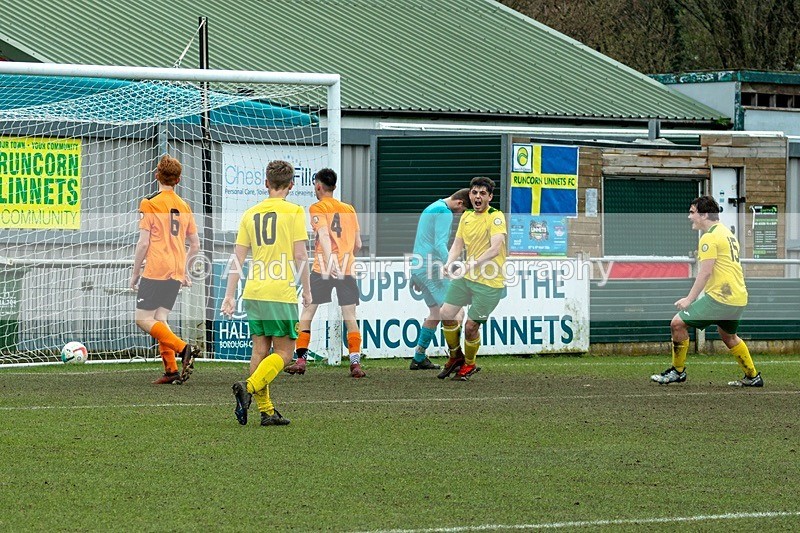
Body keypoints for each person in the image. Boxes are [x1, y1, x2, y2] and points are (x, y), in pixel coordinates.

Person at [222, 160, 312, 426]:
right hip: (279, 290)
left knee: (260, 350)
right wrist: (307, 289)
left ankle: (267, 411)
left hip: (253, 291)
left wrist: (229, 295)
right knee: (285, 353)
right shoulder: (294, 211)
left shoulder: (250, 213)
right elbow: (300, 255)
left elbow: (237, 258)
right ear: (291, 185)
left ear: (265, 183)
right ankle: (247, 388)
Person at [651, 195, 762, 387]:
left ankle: (677, 372)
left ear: (703, 215)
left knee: (677, 323)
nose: (689, 217)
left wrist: (689, 299)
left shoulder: (709, 237)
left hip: (721, 297)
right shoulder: (727, 233)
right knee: (729, 336)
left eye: (692, 212)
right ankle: (753, 377)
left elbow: (705, 272)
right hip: (738, 297)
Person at [283, 168, 366, 378]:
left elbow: (324, 235)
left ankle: (301, 360)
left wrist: (331, 260)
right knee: (350, 315)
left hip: (323, 267)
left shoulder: (317, 207)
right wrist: (345, 257)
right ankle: (355, 363)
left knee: (308, 311)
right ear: (334, 186)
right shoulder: (349, 209)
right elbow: (357, 243)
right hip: (346, 267)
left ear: (318, 186)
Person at [130, 155, 201, 385]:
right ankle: (171, 371)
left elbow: (143, 242)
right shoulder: (184, 206)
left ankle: (183, 349)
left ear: (156, 175)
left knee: (142, 319)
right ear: (178, 180)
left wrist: (134, 273)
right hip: (177, 269)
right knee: (160, 318)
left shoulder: (149, 202)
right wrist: (185, 268)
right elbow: (196, 244)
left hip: (157, 267)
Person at [439, 177, 507, 381]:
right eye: (474, 193)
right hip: (467, 278)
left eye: (482, 193)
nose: (478, 197)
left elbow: (495, 249)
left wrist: (470, 264)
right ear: (470, 195)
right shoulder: (467, 216)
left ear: (490, 197)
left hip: (489, 282)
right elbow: (457, 244)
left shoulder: (496, 217)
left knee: (470, 327)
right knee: (446, 313)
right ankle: (455, 357)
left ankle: (469, 364)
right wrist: (449, 262)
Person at [408, 189, 472, 370]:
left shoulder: (432, 207)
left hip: (420, 267)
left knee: (436, 313)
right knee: (456, 312)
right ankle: (456, 359)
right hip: (432, 268)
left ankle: (419, 357)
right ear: (460, 203)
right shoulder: (444, 212)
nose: (460, 215)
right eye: (462, 211)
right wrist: (452, 265)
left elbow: (422, 241)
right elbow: (439, 244)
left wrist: (416, 273)